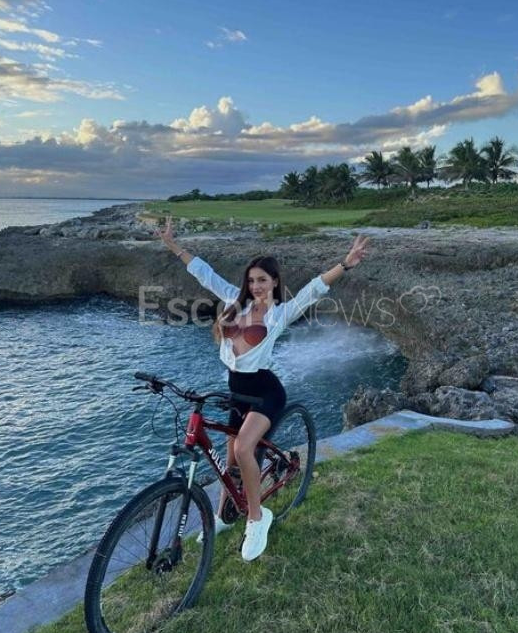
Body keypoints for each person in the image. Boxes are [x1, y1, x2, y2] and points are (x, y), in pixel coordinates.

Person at [157, 216, 370, 561]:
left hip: (265, 391)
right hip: (236, 391)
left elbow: (314, 288)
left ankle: (257, 518)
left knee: (244, 448)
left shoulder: (279, 314)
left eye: (262, 280)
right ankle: (225, 513)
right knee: (230, 461)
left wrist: (345, 263)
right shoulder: (234, 301)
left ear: (274, 283)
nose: (255, 285)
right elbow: (204, 273)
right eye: (252, 279)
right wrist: (172, 245)